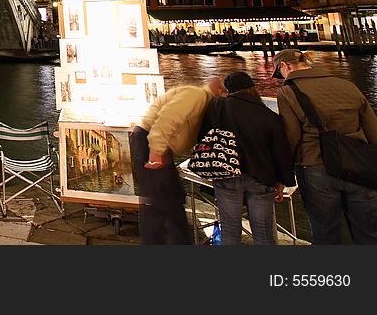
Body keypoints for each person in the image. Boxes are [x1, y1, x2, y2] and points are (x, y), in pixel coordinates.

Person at [273, 48, 377, 244]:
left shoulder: (288, 92)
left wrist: (282, 176)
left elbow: (291, 137)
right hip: (358, 163)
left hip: (316, 167)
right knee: (370, 231)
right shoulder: (347, 85)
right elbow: (372, 130)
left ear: (285, 66)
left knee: (325, 232)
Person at [131, 77, 226, 244]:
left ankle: (177, 242)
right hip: (152, 144)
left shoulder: (201, 100)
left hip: (159, 146)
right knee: (160, 202)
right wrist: (156, 151)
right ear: (220, 91)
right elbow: (167, 118)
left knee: (171, 198)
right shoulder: (195, 95)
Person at [207, 71, 296, 244]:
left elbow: (205, 135)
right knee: (263, 231)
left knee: (230, 229)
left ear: (228, 89)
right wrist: (282, 181)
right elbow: (280, 151)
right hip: (262, 178)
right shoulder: (268, 115)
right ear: (252, 88)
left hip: (227, 175)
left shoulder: (218, 107)